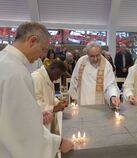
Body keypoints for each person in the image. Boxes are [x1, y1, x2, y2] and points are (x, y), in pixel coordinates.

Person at [0, 22, 73, 158]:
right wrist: (58, 142)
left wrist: (38, 114)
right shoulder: (16, 72)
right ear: (32, 41)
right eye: (43, 49)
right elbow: (23, 125)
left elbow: (9, 112)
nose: (41, 55)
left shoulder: (4, 60)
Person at [69, 41, 120, 108]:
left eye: (97, 55)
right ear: (87, 54)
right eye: (92, 56)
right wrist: (74, 97)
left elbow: (110, 84)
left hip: (100, 105)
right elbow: (74, 80)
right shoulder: (81, 61)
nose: (95, 59)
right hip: (83, 102)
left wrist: (112, 96)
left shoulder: (106, 65)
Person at [32, 60, 68, 134]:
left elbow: (49, 96)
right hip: (39, 121)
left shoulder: (48, 77)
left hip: (48, 118)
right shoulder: (36, 78)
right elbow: (35, 102)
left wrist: (58, 102)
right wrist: (53, 108)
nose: (58, 78)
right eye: (58, 74)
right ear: (52, 68)